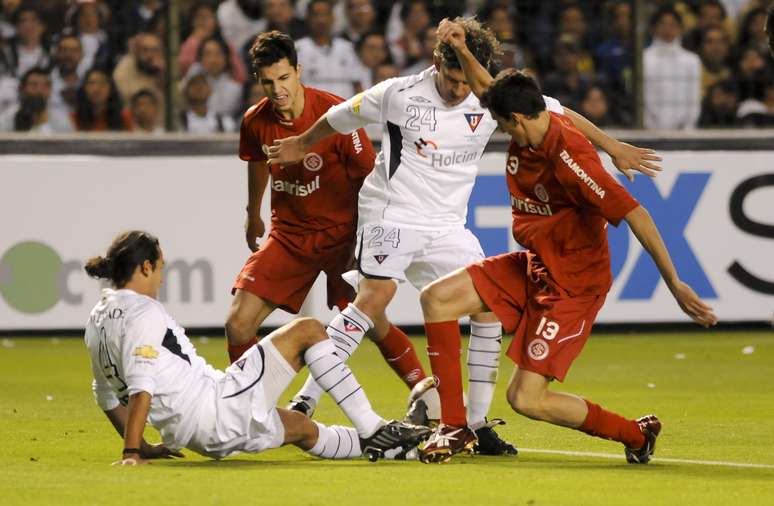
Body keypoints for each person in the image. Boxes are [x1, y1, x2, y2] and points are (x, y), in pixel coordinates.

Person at [267, 17, 661, 456]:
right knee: (374, 299)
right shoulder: (398, 94)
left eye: (463, 81)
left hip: (447, 225)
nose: (459, 91)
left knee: (487, 310)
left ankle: (473, 425)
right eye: (451, 80)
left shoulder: (490, 98)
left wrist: (614, 147)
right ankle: (306, 399)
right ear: (437, 62)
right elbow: (341, 116)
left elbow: (560, 115)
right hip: (392, 212)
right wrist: (303, 143)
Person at [414, 19, 718, 464]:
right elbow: (490, 90)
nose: (500, 131)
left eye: (502, 125)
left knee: (526, 399)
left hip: (572, 287)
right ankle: (455, 426)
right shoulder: (533, 114)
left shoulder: (570, 160)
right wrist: (460, 47)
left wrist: (675, 283)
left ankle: (635, 433)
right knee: (436, 298)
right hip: (536, 264)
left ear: (517, 120)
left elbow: (637, 213)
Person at [84, 230, 429, 465]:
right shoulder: (144, 312)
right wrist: (133, 450)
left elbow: (106, 395)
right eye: (160, 268)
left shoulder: (97, 320)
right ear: (145, 267)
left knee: (299, 427)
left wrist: (143, 443)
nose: (161, 277)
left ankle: (401, 451)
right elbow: (141, 385)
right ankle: (374, 428)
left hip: (197, 437)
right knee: (308, 329)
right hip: (216, 409)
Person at [226, 31, 435, 420]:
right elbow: (256, 161)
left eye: (284, 78)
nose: (278, 90)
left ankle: (427, 395)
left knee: (372, 322)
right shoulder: (255, 121)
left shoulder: (336, 116)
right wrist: (252, 211)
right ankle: (245, 410)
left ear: (298, 71)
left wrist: (371, 237)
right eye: (269, 82)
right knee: (238, 324)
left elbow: (370, 178)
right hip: (289, 236)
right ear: (258, 80)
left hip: (343, 237)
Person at [643, 6, 702, 129]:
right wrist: (650, 128)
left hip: (684, 133)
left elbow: (694, 100)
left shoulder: (692, 60)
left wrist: (687, 128)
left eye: (672, 25)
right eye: (663, 24)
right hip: (649, 131)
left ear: (680, 29)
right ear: (654, 28)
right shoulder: (643, 59)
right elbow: (642, 100)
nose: (667, 29)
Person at [71, 67, 133, 132]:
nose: (96, 89)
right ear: (84, 88)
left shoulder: (124, 118)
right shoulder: (74, 119)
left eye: (102, 83)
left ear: (111, 89)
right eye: (91, 83)